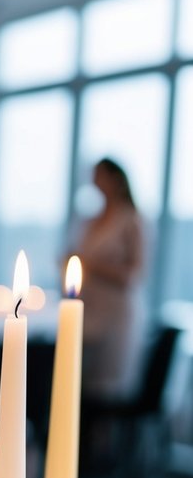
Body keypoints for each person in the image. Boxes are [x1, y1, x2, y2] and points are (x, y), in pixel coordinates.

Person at [72, 158, 147, 402]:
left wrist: (92, 264)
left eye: (99, 176)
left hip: (115, 316)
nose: (94, 182)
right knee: (78, 384)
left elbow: (135, 274)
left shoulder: (131, 220)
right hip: (88, 311)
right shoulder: (91, 219)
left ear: (115, 179)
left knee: (104, 390)